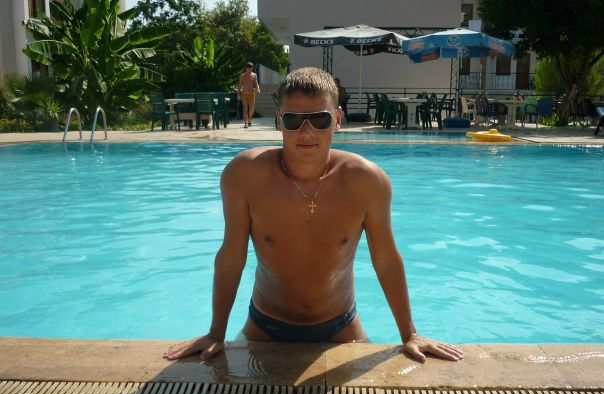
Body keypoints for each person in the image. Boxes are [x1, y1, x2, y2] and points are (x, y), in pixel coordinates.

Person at [163, 67, 464, 363]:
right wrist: (215, 334)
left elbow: (386, 259)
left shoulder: (367, 181)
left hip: (341, 329)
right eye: (293, 120)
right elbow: (231, 257)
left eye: (320, 119)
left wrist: (410, 335)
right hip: (264, 328)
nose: (306, 132)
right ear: (279, 121)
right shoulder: (245, 175)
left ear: (337, 119)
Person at [237, 62, 261, 128]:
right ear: (246, 68)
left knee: (252, 109)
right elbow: (239, 85)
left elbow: (256, 83)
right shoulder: (242, 75)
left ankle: (249, 120)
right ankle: (246, 123)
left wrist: (258, 89)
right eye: (248, 68)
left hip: (251, 93)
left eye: (251, 68)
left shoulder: (254, 75)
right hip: (244, 94)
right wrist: (238, 94)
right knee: (245, 108)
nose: (250, 69)